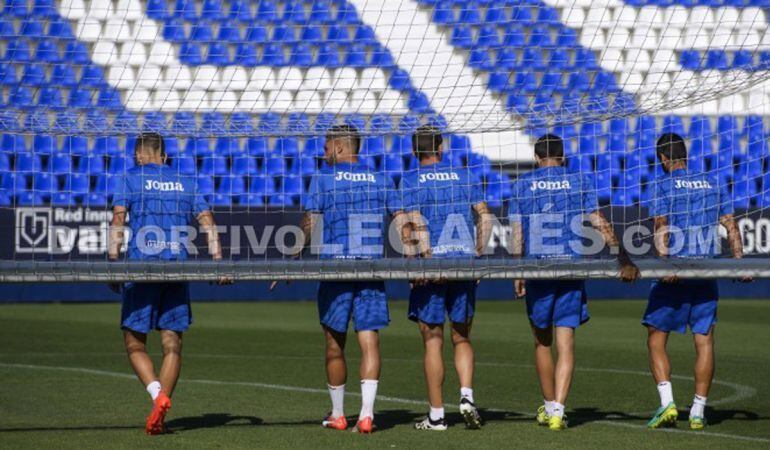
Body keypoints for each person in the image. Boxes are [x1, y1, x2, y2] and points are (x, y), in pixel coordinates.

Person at [509, 134, 639, 430]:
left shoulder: (522, 184)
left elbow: (517, 233)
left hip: (538, 268)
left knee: (542, 342)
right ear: (563, 157)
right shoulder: (579, 180)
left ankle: (548, 405)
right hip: (571, 265)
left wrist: (517, 272)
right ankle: (559, 411)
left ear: (536, 157)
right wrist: (621, 256)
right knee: (566, 342)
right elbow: (599, 222)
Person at [109, 132, 230, 435]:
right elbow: (208, 222)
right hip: (177, 267)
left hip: (143, 268)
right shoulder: (186, 181)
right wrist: (219, 262)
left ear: (139, 154)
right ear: (163, 155)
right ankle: (159, 412)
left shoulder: (131, 178)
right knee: (172, 343)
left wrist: (112, 261)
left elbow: (118, 220)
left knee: (134, 339)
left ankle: (157, 396)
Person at [294, 125, 404, 433]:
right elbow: (401, 219)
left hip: (335, 269)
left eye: (327, 147)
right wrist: (413, 254)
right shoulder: (381, 179)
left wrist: (290, 256)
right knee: (369, 341)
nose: (323, 152)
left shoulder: (323, 178)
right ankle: (367, 415)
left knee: (333, 344)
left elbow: (310, 221)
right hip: (370, 268)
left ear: (340, 147)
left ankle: (339, 414)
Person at [644, 133, 748, 430]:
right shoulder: (712, 182)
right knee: (704, 341)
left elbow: (661, 226)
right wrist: (741, 263)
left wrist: (665, 263)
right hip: (704, 270)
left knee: (656, 336)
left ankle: (667, 404)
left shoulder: (661, 183)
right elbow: (730, 225)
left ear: (663, 159)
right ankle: (699, 411)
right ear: (685, 156)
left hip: (675, 271)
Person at [398, 125, 493, 430]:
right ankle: (466, 396)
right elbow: (486, 216)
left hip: (432, 264)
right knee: (462, 336)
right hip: (463, 262)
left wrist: (419, 261)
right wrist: (477, 255)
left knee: (432, 340)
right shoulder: (464, 175)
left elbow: (410, 225)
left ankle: (437, 415)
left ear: (415, 152)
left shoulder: (410, 179)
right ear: (441, 148)